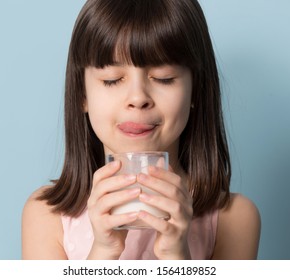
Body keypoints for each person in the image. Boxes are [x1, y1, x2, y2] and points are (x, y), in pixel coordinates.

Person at [22, 0, 260, 260]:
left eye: (163, 78)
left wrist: (176, 255)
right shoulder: (47, 214)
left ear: (196, 89)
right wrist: (104, 251)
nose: (137, 97)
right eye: (112, 80)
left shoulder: (233, 218)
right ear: (82, 94)